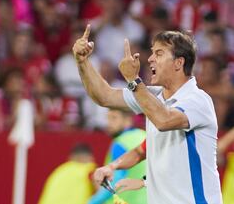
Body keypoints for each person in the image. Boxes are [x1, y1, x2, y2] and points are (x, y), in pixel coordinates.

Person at [72, 25, 222, 203]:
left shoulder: (197, 101)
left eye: (159, 53)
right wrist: (83, 62)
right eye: (152, 53)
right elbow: (104, 97)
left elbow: (164, 120)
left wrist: (133, 80)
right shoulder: (151, 97)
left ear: (178, 63)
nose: (150, 59)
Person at [88, 109, 146, 204]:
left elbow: (115, 179)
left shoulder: (121, 141)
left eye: (114, 118)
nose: (109, 123)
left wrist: (93, 202)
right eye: (107, 118)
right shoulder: (145, 135)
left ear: (128, 120)